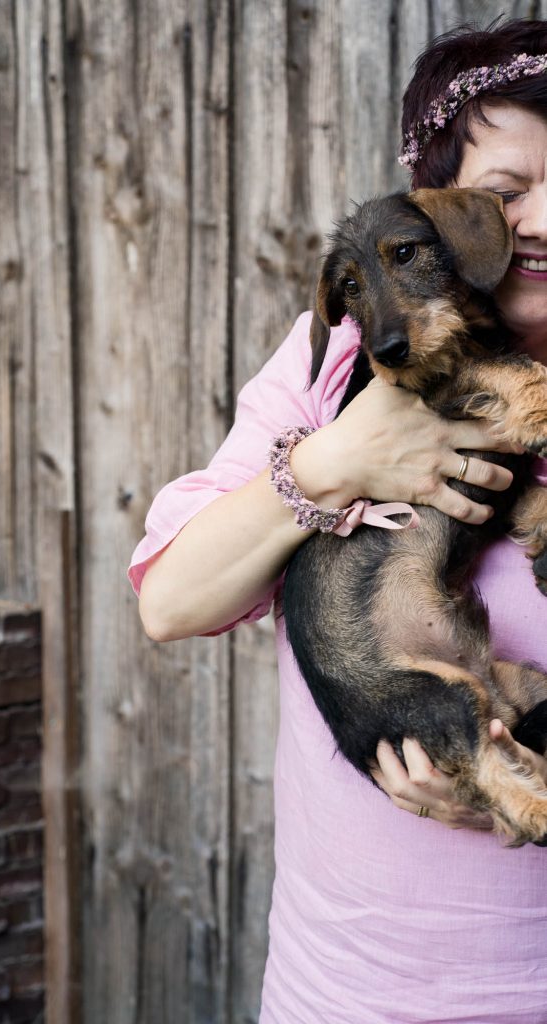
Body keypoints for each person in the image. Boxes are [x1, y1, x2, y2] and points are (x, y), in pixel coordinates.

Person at [129, 18, 547, 1024]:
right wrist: (333, 461)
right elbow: (173, 600)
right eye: (506, 191)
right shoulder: (335, 362)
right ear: (443, 215)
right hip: (351, 985)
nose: (542, 220)